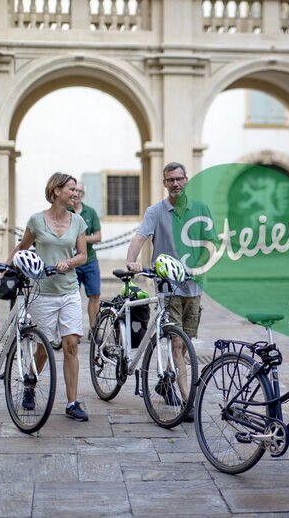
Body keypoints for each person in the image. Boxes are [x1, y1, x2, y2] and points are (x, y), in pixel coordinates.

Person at [0, 172, 90, 422]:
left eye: (76, 190)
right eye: (71, 189)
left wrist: (68, 262)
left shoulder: (78, 222)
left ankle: (72, 402)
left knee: (72, 345)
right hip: (43, 292)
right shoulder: (36, 221)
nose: (75, 193)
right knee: (43, 348)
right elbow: (21, 248)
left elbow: (83, 256)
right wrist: (2, 269)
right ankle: (30, 383)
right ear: (56, 191)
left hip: (68, 291)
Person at [125, 162, 213, 416]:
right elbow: (140, 237)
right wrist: (132, 259)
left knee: (186, 339)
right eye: (170, 180)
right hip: (168, 285)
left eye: (179, 179)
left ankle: (170, 378)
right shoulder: (155, 211)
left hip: (194, 285)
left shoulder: (200, 209)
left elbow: (210, 241)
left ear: (186, 180)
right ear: (164, 183)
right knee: (177, 340)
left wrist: (204, 264)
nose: (175, 183)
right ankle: (187, 401)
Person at [69, 181, 102, 343]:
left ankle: (94, 330)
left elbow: (98, 236)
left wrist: (81, 238)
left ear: (83, 193)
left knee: (95, 294)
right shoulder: (65, 211)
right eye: (75, 190)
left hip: (89, 260)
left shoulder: (91, 212)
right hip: (71, 262)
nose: (77, 194)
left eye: (80, 191)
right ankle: (72, 331)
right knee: (71, 296)